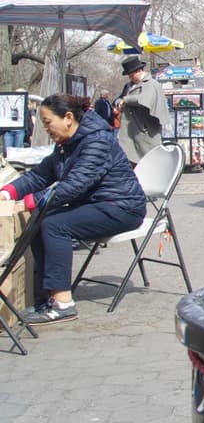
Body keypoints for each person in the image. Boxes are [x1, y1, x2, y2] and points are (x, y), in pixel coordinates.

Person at [0, 93, 146, 324]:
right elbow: (40, 176)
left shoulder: (96, 141)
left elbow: (74, 186)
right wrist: (7, 192)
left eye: (48, 122)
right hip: (96, 204)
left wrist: (27, 202)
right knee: (41, 217)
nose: (46, 128)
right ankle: (47, 292)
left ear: (68, 117)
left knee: (54, 224)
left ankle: (63, 303)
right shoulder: (67, 144)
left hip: (122, 207)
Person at [115, 56, 166, 165]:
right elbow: (119, 98)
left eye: (131, 74)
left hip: (146, 132)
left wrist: (127, 100)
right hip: (131, 132)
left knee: (148, 162)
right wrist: (119, 103)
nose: (130, 77)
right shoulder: (129, 85)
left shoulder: (151, 84)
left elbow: (145, 100)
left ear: (139, 71)